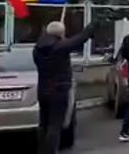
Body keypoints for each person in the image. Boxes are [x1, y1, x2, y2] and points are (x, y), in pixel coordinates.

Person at [33, 20, 95, 154]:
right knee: (55, 125)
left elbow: (71, 42)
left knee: (44, 124)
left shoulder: (37, 49)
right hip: (58, 91)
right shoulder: (58, 48)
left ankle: (42, 151)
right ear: (61, 34)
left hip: (43, 91)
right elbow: (78, 40)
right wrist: (91, 28)